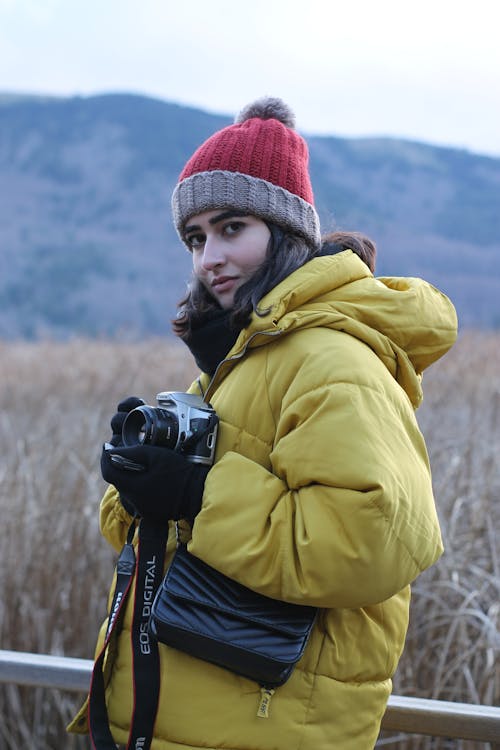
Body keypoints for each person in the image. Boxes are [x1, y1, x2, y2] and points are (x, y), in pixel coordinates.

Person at [69, 97, 458, 749]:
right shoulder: (239, 360)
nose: (207, 258)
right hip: (196, 718)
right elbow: (176, 530)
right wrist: (136, 486)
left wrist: (197, 491)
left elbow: (369, 543)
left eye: (230, 228)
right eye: (195, 238)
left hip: (269, 725)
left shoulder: (331, 357)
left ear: (285, 232)